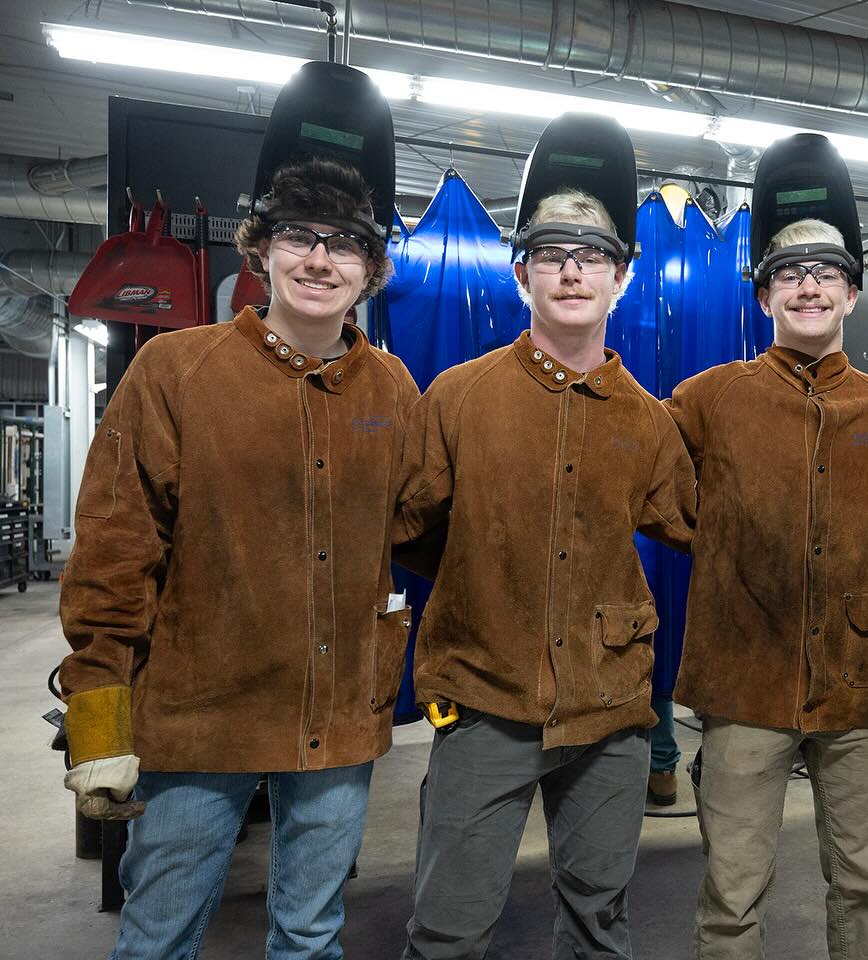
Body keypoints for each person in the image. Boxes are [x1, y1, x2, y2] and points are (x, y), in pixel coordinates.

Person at [57, 62, 416, 960]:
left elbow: (424, 529)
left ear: (371, 268)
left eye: (344, 242)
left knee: (310, 933)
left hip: (337, 715)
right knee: (160, 933)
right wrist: (100, 711)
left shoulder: (393, 386)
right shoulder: (176, 370)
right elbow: (112, 547)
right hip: (199, 715)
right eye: (299, 235)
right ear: (260, 248)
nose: (320, 259)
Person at [394, 112, 697, 960]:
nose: (573, 271)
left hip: (610, 714)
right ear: (521, 273)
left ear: (621, 279)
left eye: (592, 256)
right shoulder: (458, 396)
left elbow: (700, 530)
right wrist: (486, 589)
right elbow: (412, 531)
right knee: (448, 929)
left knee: (600, 928)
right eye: (553, 256)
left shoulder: (649, 421)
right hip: (485, 705)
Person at [666, 132, 868, 960]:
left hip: (860, 692)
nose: (808, 286)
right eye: (788, 273)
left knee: (867, 880)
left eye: (826, 274)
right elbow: (654, 500)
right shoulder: (706, 401)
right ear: (764, 293)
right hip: (744, 685)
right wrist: (730, 565)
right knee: (734, 892)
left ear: (852, 294)